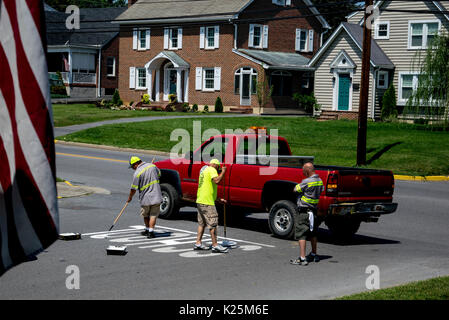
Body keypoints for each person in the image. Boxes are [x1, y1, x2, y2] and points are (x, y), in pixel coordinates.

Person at [290, 162, 324, 266]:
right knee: (313, 233)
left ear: (308, 170)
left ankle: (302, 258)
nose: (303, 173)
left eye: (304, 171)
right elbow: (320, 191)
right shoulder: (319, 181)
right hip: (313, 211)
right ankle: (314, 254)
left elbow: (295, 189)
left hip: (304, 211)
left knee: (302, 234)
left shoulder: (307, 181)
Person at [194, 159, 229, 253]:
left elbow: (208, 188)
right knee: (213, 223)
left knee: (202, 223)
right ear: (215, 165)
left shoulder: (204, 170)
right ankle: (215, 245)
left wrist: (218, 199)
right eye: (218, 168)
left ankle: (198, 242)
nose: (218, 171)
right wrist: (224, 172)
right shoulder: (212, 169)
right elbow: (217, 180)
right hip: (207, 203)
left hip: (200, 201)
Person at [127, 156, 162, 239]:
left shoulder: (137, 173)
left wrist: (130, 198)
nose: (133, 169)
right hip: (157, 195)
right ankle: (150, 231)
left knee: (145, 215)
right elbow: (159, 174)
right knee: (153, 215)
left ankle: (148, 230)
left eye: (132, 167)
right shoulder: (152, 166)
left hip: (145, 198)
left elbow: (133, 189)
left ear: (136, 164)